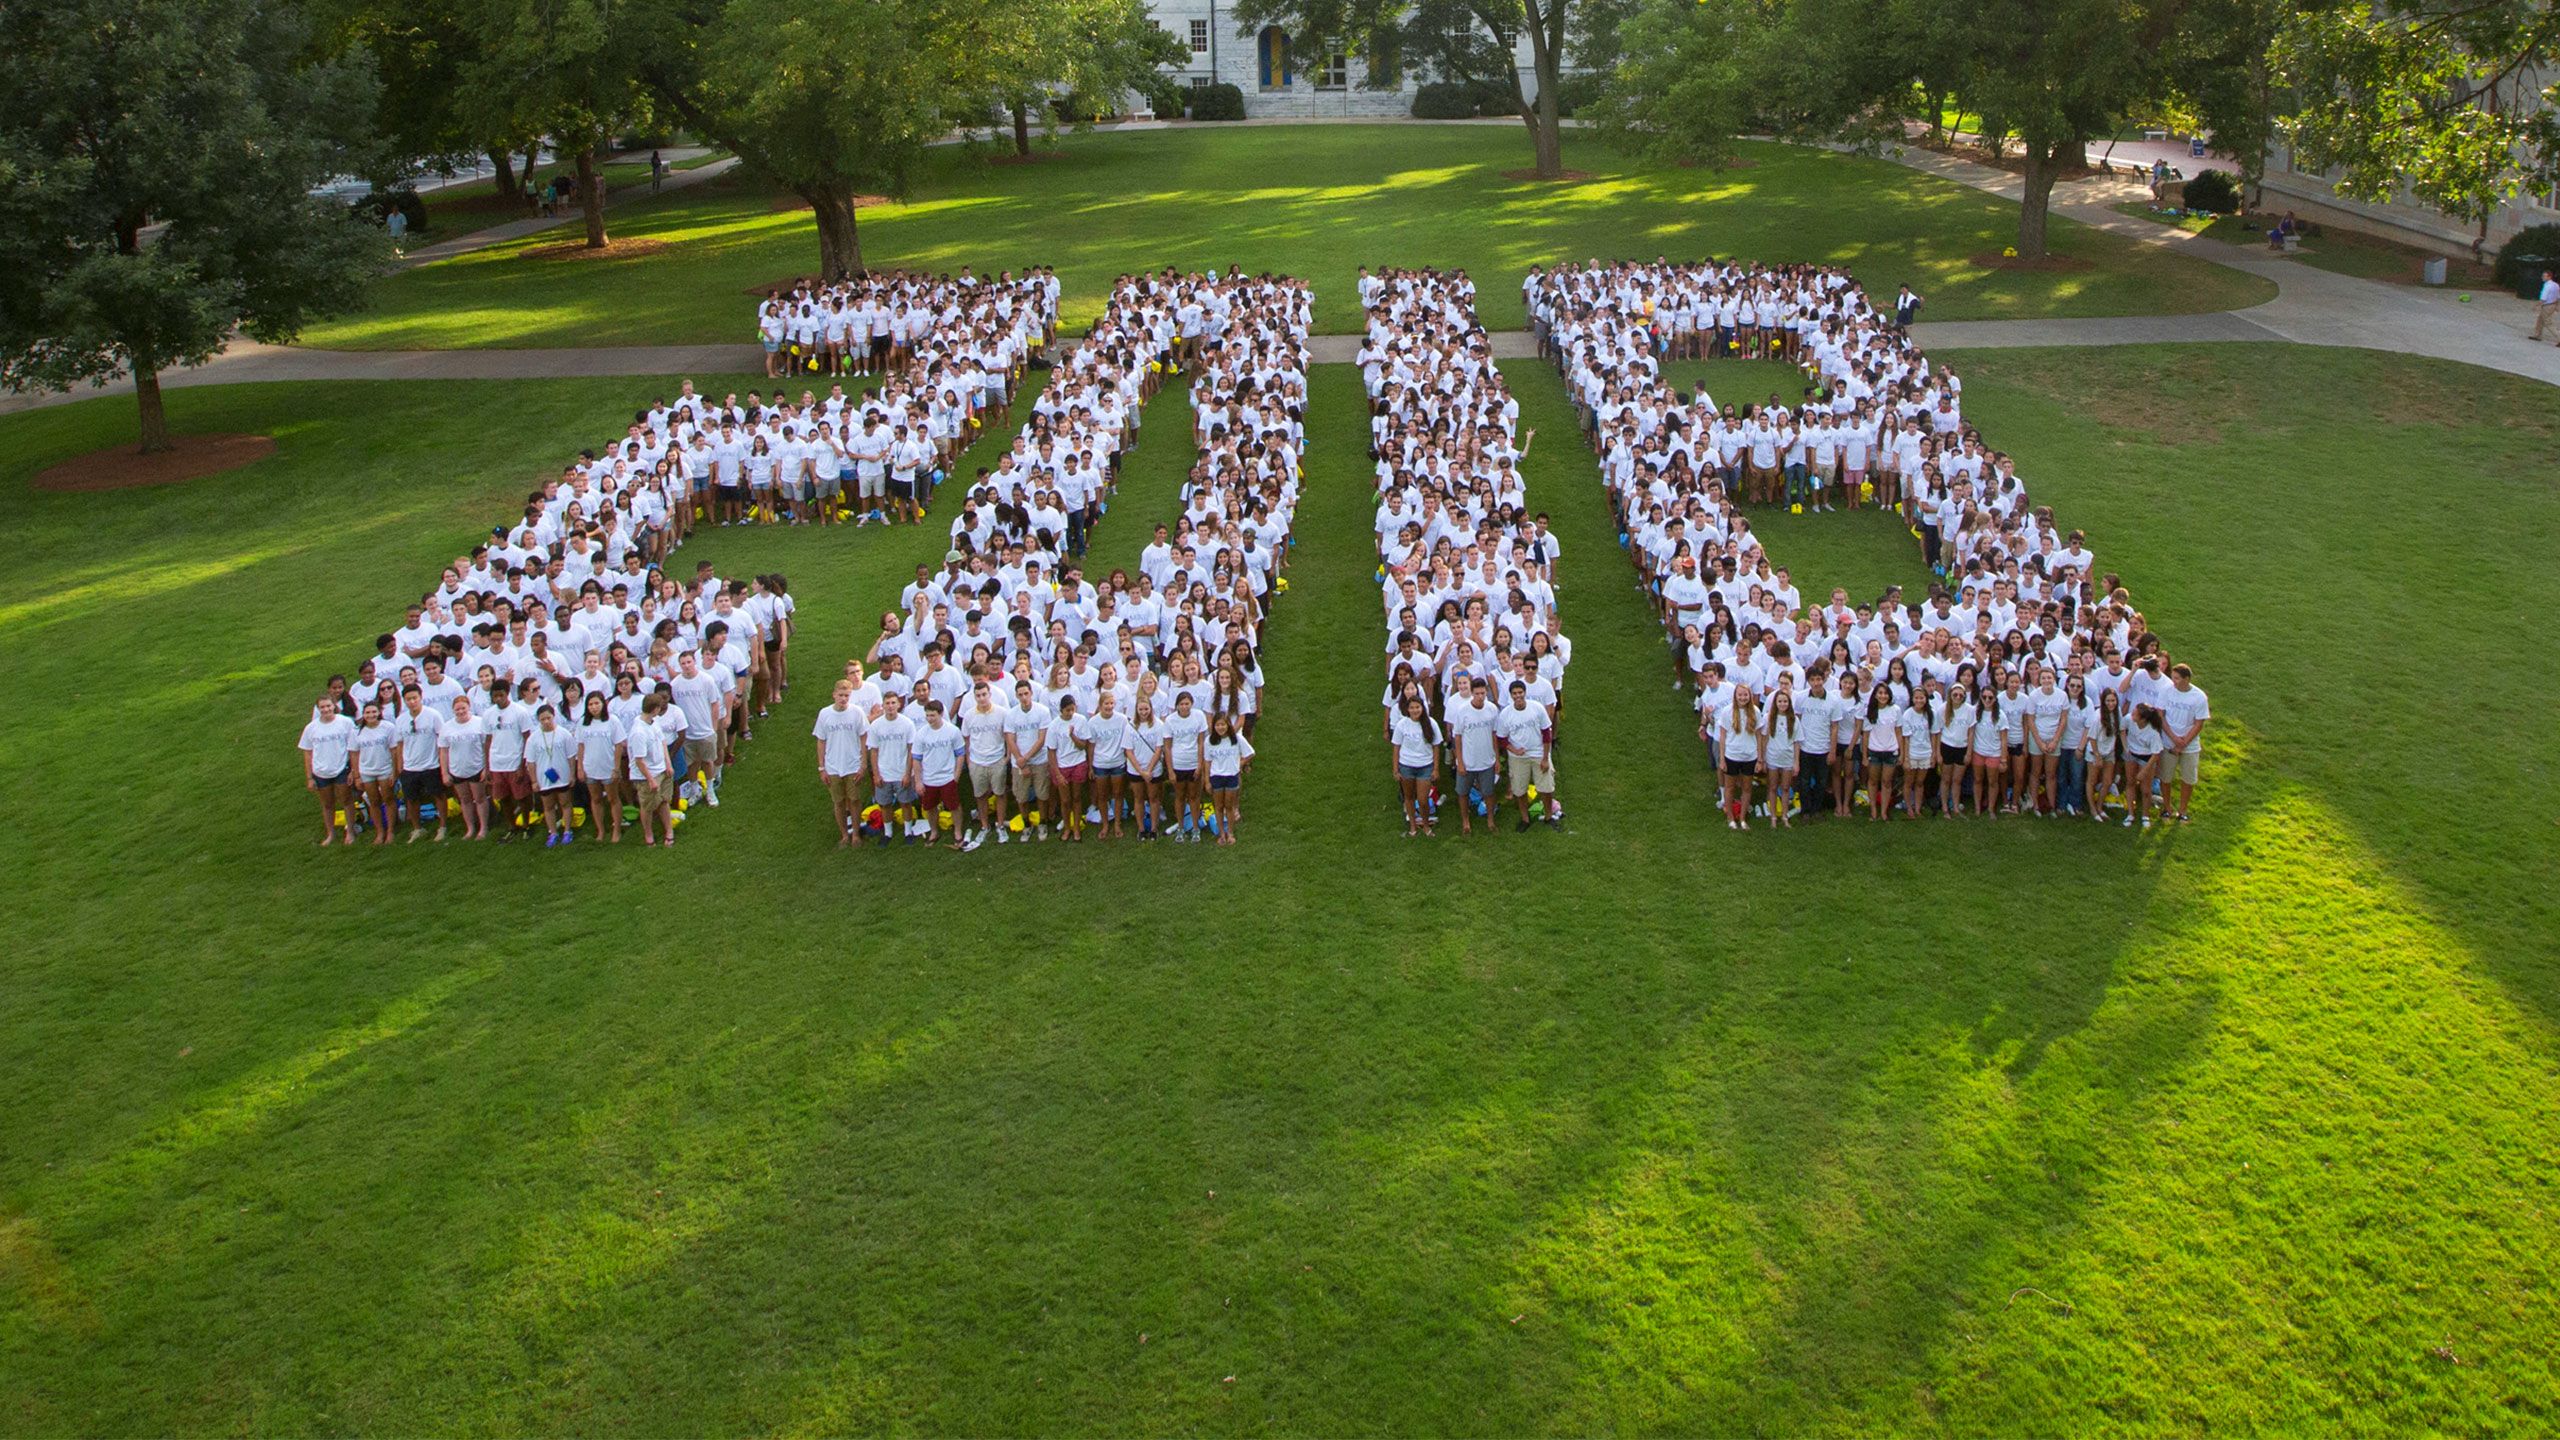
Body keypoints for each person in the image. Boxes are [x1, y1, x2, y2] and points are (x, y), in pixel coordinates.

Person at [814, 678, 870, 847]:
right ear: (834, 695)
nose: (843, 698)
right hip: (833, 766)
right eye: (841, 695)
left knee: (854, 800)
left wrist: (863, 764)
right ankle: (844, 835)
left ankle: (856, 834)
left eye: (847, 695)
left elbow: (864, 737)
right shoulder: (825, 714)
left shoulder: (857, 712)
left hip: (853, 765)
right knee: (838, 802)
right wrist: (822, 767)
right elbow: (821, 741)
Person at [1495, 678, 1557, 831]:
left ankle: (1549, 816)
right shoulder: (1505, 714)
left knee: (1546, 788)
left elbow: (1546, 733)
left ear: (1525, 693)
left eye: (1520, 693)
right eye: (1514, 693)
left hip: (1538, 753)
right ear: (1511, 695)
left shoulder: (1537, 708)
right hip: (1518, 758)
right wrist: (1514, 750)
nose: (1518, 696)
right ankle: (1525, 819)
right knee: (1519, 790)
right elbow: (1501, 738)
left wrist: (1545, 758)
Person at [299, 690, 358, 846]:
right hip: (321, 771)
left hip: (341, 768)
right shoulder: (311, 728)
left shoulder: (345, 723)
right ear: (318, 709)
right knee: (327, 803)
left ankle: (350, 831)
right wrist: (310, 777)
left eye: (328, 706)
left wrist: (353, 770)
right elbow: (307, 753)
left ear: (334, 706)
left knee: (346, 799)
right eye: (322, 707)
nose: (325, 710)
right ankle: (330, 833)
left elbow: (353, 747)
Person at [2157, 662, 2209, 822]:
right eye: (2173, 677)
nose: (2174, 681)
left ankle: (2183, 810)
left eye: (2177, 678)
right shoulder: (2166, 691)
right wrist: (2173, 738)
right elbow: (2161, 715)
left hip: (2190, 746)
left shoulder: (2199, 697)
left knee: (2188, 779)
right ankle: (2167, 808)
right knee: (2165, 777)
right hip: (2168, 741)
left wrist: (2183, 742)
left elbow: (2199, 723)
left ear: (2187, 679)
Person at [525, 704, 579, 846]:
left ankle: (567, 830)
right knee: (548, 806)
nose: (546, 722)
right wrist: (534, 781)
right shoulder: (533, 738)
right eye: (542, 719)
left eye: (548, 718)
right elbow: (530, 762)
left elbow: (571, 756)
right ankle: (553, 832)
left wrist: (572, 775)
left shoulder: (564, 734)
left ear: (554, 717)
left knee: (565, 803)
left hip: (563, 775)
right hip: (544, 779)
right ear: (538, 720)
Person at [1388, 694, 1442, 838]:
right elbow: (1396, 748)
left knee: (1423, 800)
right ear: (1407, 709)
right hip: (1406, 766)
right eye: (1411, 708)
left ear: (1422, 708)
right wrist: (1395, 769)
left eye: (1417, 707)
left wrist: (1436, 768)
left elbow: (1437, 746)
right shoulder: (1402, 725)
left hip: (1425, 766)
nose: (1415, 710)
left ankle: (1425, 824)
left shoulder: (1431, 723)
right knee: (1409, 797)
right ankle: (1412, 825)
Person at [1202, 712, 1253, 845]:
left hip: (1231, 776)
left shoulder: (1236, 738)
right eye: (1218, 725)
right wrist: (1207, 781)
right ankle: (1221, 834)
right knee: (1218, 806)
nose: (1220, 728)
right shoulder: (1209, 741)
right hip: (1216, 776)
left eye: (1223, 724)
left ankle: (1230, 832)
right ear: (1214, 726)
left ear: (1228, 725)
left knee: (1229, 806)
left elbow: (1250, 753)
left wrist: (1239, 764)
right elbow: (1207, 761)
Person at [2538, 270, 2560, 343]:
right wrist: (2557, 305)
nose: (2542, 277)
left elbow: (2543, 298)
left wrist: (2536, 305)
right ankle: (2537, 334)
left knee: (2548, 323)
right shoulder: (2555, 285)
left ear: (2549, 277)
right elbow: (2558, 296)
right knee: (2540, 319)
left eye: (2544, 276)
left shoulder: (2547, 286)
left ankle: (2558, 336)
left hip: (2547, 305)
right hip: (2553, 304)